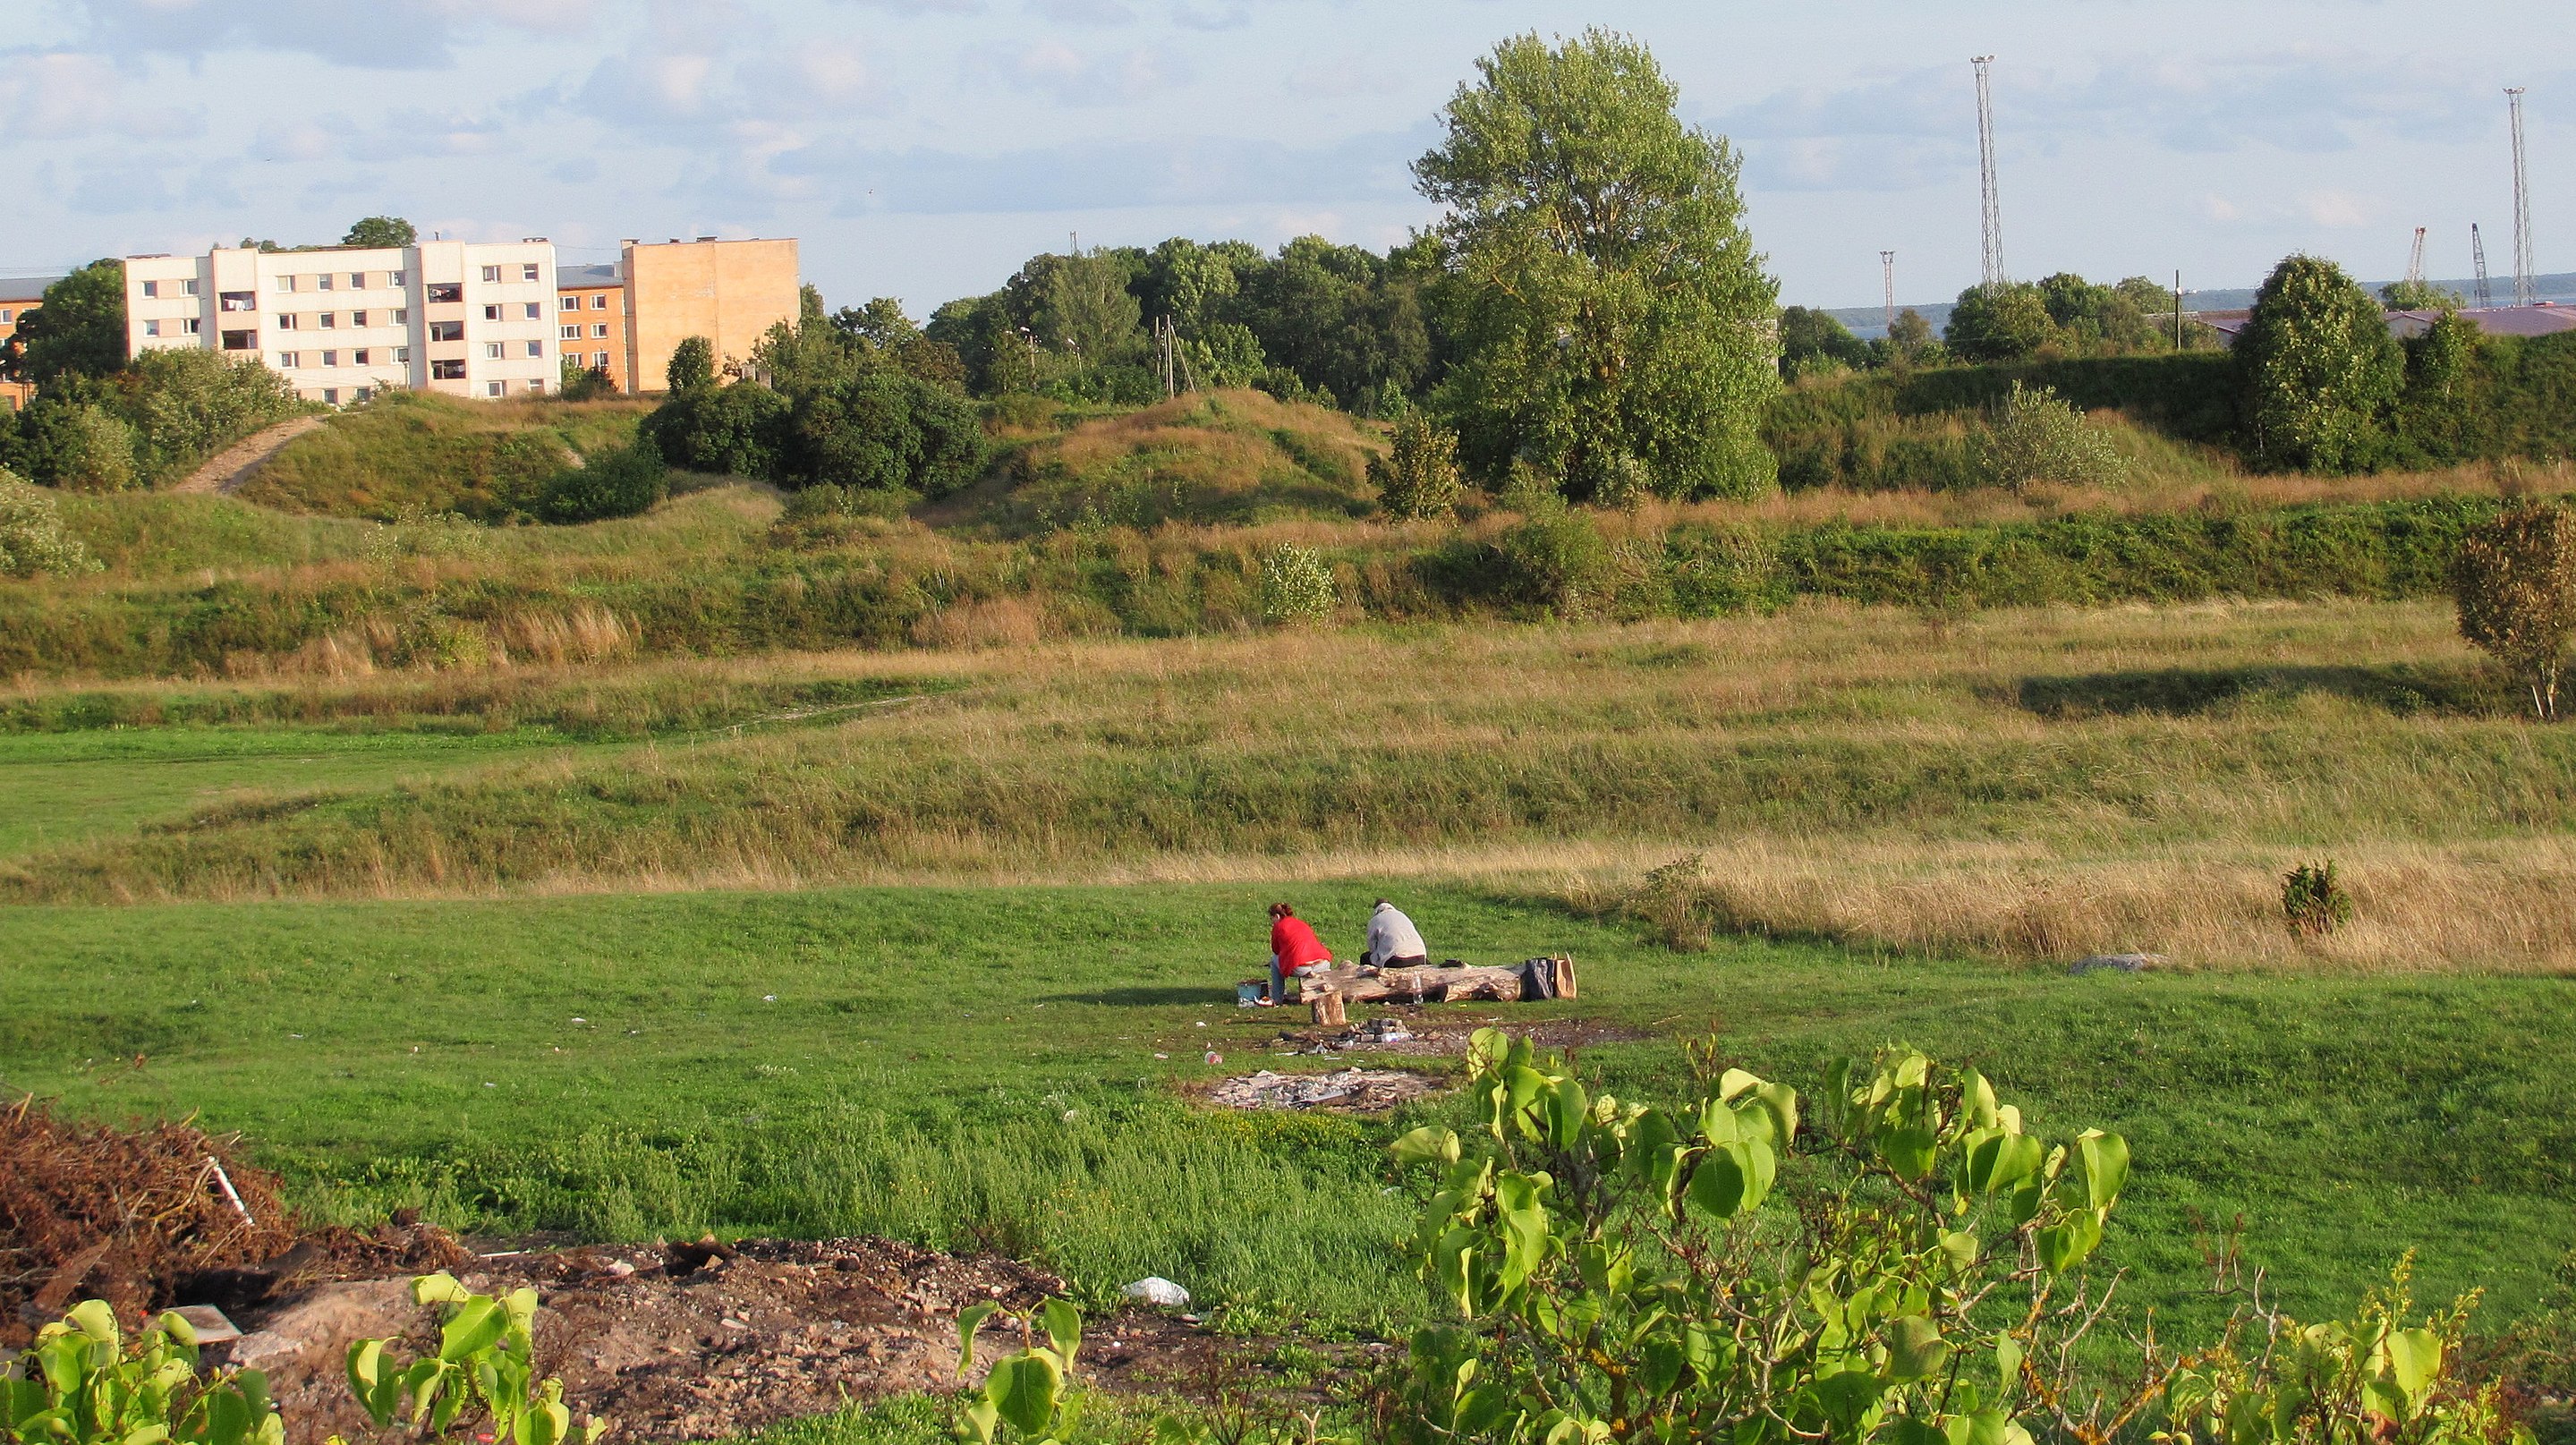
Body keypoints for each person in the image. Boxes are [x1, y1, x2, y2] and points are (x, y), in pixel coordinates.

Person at [1266, 902, 1331, 1005]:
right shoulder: (1301, 923)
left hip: (1301, 967)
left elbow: (1276, 950)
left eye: (1272, 918)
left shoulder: (1278, 927)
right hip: (1323, 963)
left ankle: (1277, 998)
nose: (1272, 921)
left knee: (1274, 960)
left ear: (1277, 916)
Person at [1363, 898, 1428, 969]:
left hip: (1398, 959)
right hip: (1420, 956)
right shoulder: (1402, 915)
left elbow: (1372, 947)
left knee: (1365, 957)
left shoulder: (1375, 920)